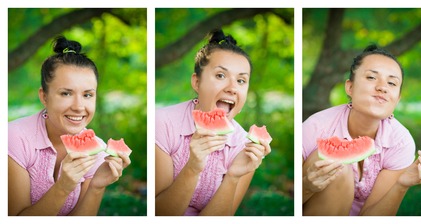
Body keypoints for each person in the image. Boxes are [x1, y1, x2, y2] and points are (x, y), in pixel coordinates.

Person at [302, 44, 421, 216]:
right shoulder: (315, 127)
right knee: (338, 166)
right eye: (372, 77)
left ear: (397, 99)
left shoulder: (400, 142)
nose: (383, 87)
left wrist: (401, 185)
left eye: (392, 83)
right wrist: (306, 186)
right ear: (350, 88)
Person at [8, 36, 131, 216]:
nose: (78, 107)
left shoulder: (98, 151)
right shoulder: (13, 138)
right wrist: (63, 186)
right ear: (44, 97)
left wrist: (96, 186)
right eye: (66, 93)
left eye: (87, 95)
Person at [155, 29, 271, 216]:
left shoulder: (245, 145)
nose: (232, 88)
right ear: (196, 82)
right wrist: (193, 167)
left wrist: (234, 176)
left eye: (241, 80)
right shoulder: (162, 123)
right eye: (220, 76)